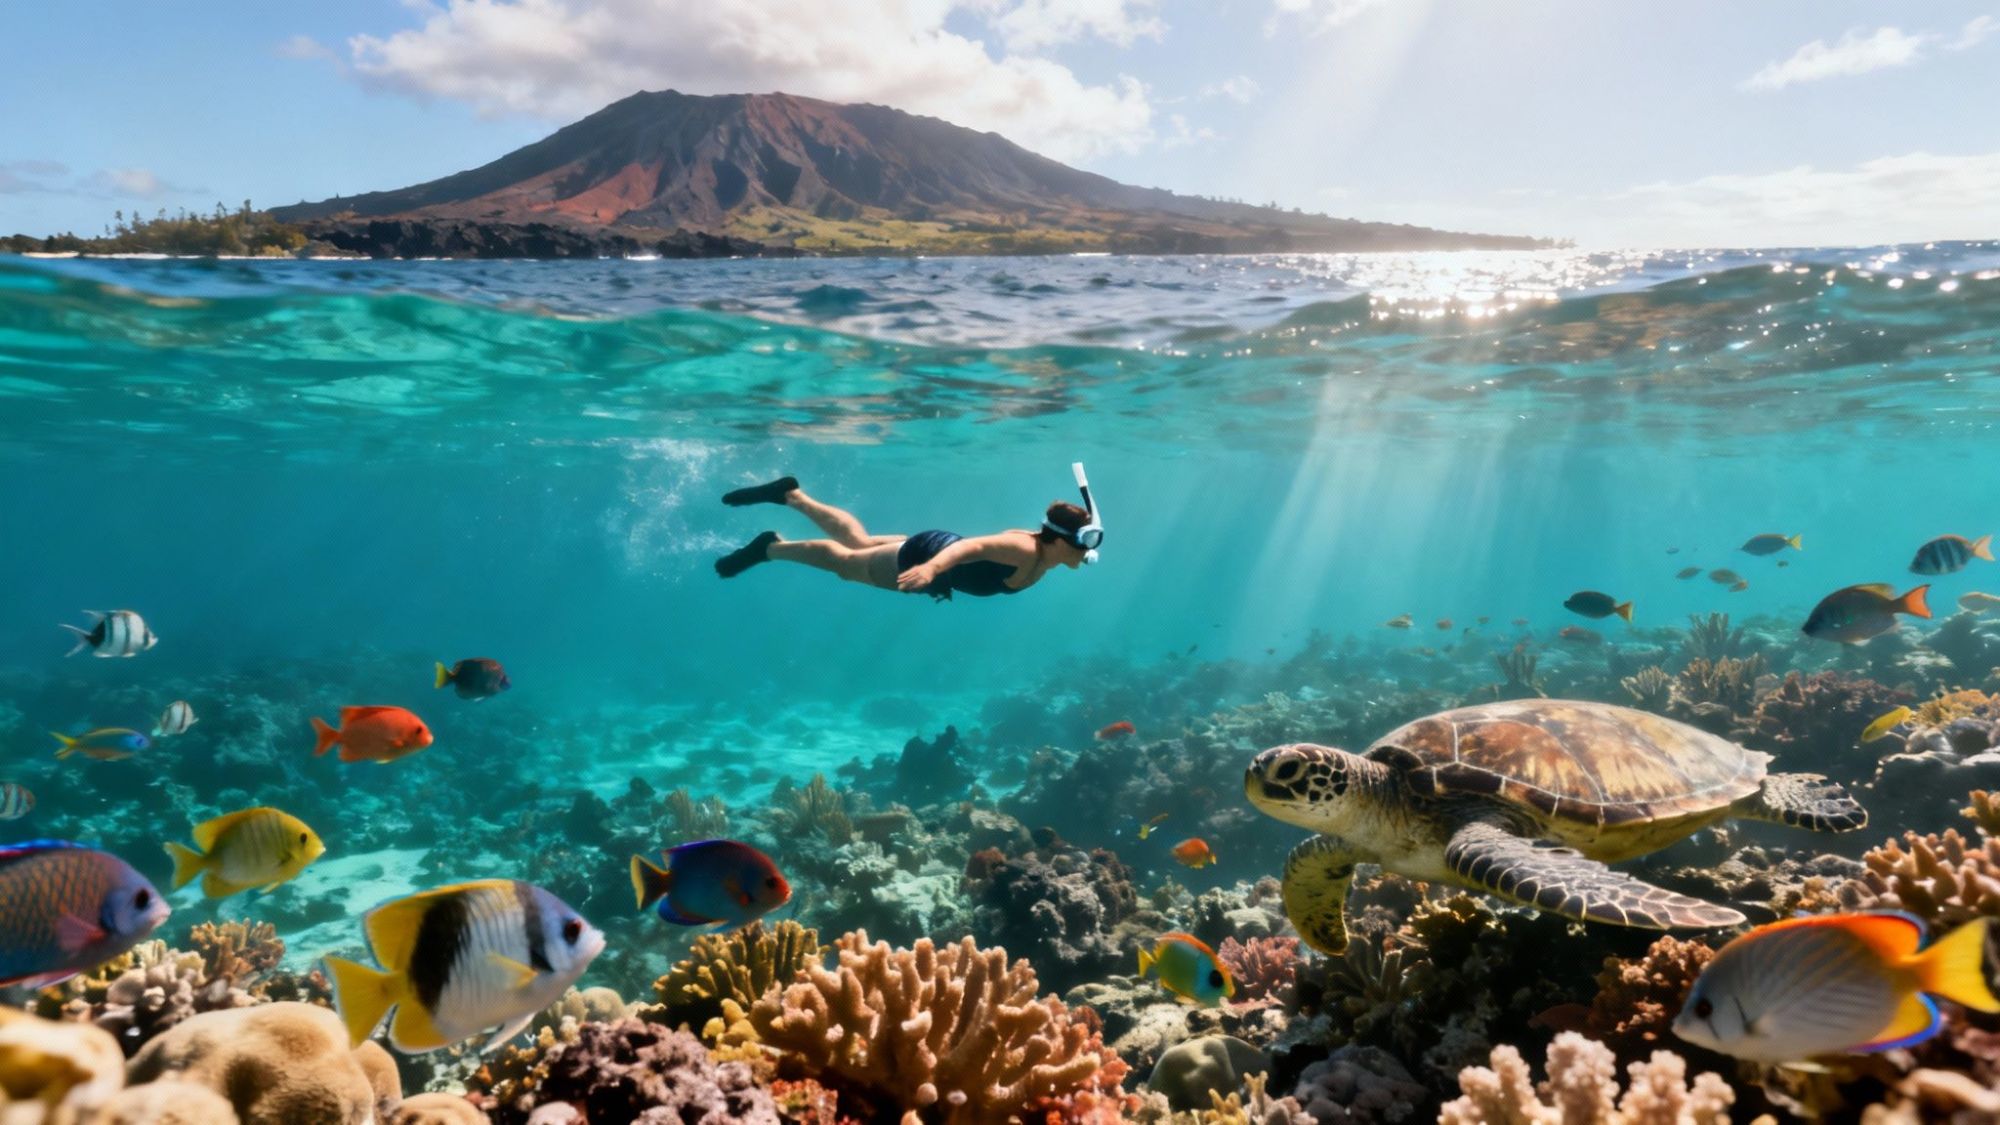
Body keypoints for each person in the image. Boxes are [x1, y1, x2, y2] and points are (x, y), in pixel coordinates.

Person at [713, 466, 1104, 600]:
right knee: (848, 564)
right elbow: (973, 546)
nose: (1089, 553)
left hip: (934, 549)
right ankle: (770, 549)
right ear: (1059, 540)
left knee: (861, 543)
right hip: (929, 556)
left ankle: (791, 495)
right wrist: (932, 570)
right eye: (1085, 542)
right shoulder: (1023, 548)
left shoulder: (1051, 553)